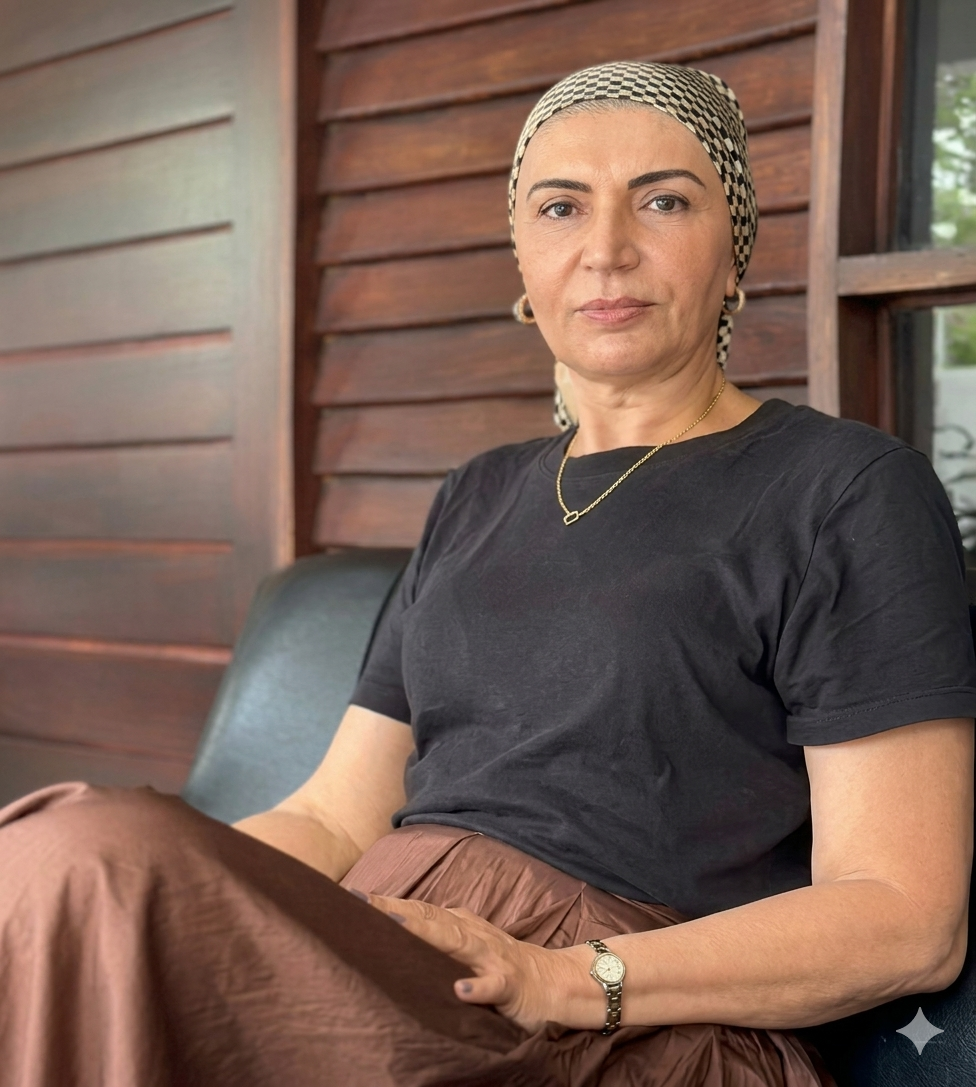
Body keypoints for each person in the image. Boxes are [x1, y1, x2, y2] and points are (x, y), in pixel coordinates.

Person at [1, 61, 974, 1087]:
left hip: (631, 1027)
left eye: (663, 201)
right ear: (524, 262)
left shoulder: (842, 488)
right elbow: (332, 817)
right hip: (382, 972)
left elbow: (903, 917)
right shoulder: (478, 493)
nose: (607, 248)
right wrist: (178, 886)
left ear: (734, 253)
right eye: (562, 207)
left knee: (89, 858)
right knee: (72, 869)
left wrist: (565, 978)